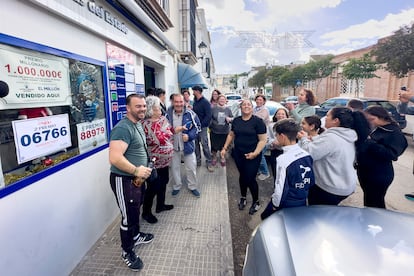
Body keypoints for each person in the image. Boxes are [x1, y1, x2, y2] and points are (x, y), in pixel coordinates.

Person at [108, 94, 154, 271]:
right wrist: (136, 170)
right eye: (138, 106)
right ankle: (127, 251)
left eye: (143, 106)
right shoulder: (122, 128)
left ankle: (135, 236)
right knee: (128, 216)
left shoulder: (137, 124)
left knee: (135, 210)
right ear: (128, 108)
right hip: (124, 180)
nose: (142, 109)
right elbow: (114, 158)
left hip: (137, 180)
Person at [298, 107, 368, 205]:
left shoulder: (331, 137)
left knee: (318, 215)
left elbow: (308, 153)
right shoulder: (347, 135)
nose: (325, 118)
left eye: (327, 116)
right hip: (344, 185)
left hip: (329, 188)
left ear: (336, 121)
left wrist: (304, 139)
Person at [260, 118, 315, 220]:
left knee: (265, 218)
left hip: (288, 201)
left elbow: (280, 188)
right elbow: (311, 181)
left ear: (282, 136)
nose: (276, 138)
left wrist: (275, 205)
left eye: (276, 135)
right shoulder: (307, 154)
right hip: (302, 199)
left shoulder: (283, 159)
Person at [220, 99, 267, 215]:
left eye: (249, 104)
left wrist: (255, 153)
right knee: (242, 176)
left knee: (250, 178)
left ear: (252, 107)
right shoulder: (236, 121)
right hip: (238, 154)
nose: (246, 106)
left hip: (253, 155)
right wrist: (225, 148)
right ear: (240, 107)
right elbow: (231, 134)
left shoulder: (258, 122)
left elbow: (262, 140)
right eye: (244, 105)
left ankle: (256, 201)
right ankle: (243, 197)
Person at [356, 105, 407, 208]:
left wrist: (371, 143)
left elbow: (392, 154)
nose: (370, 122)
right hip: (367, 172)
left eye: (372, 119)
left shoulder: (394, 132)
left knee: (375, 203)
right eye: (368, 120)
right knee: (369, 201)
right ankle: (369, 220)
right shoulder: (378, 128)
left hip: (379, 174)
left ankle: (377, 221)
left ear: (382, 116)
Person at [141, 96, 174, 224]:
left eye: (159, 106)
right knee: (152, 187)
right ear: (150, 109)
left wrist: (163, 135)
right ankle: (146, 213)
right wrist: (163, 135)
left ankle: (160, 205)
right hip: (153, 162)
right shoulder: (144, 124)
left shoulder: (163, 119)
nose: (160, 109)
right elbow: (156, 139)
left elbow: (169, 133)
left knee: (164, 181)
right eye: (156, 107)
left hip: (165, 161)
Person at [166, 93, 202, 197]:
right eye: (176, 102)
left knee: (191, 168)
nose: (179, 104)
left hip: (188, 147)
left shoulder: (190, 113)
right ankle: (177, 186)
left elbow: (198, 127)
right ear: (172, 102)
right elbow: (163, 130)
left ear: (184, 102)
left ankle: (192, 186)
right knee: (174, 168)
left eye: (181, 101)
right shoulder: (167, 114)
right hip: (173, 147)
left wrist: (190, 136)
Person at [192, 85, 214, 171]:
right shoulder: (195, 102)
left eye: (193, 91)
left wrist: (201, 125)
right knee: (196, 145)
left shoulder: (205, 102)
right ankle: (198, 161)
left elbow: (208, 116)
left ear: (197, 91)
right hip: (195, 127)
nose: (192, 92)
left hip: (202, 128)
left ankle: (209, 162)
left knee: (205, 145)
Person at [210, 94, 233, 167]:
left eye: (223, 99)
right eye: (220, 99)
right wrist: (211, 125)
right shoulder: (213, 108)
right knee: (214, 146)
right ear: (217, 100)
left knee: (223, 146)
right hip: (214, 131)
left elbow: (232, 119)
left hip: (225, 131)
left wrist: (230, 119)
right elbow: (210, 118)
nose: (222, 101)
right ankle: (214, 157)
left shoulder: (228, 109)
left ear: (225, 101)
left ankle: (222, 157)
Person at [253, 94, 271, 180]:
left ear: (264, 101)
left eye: (261, 100)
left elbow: (258, 120)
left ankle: (265, 172)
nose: (259, 101)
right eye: (257, 100)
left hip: (263, 136)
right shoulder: (255, 109)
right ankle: (259, 170)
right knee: (257, 153)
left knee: (260, 154)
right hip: (256, 135)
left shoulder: (265, 110)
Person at [268, 107, 289, 177]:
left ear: (286, 116)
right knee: (276, 174)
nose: (280, 115)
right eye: (279, 114)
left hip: (288, 153)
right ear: (276, 116)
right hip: (275, 152)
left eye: (283, 114)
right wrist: (273, 142)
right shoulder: (271, 126)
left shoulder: (291, 126)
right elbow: (267, 139)